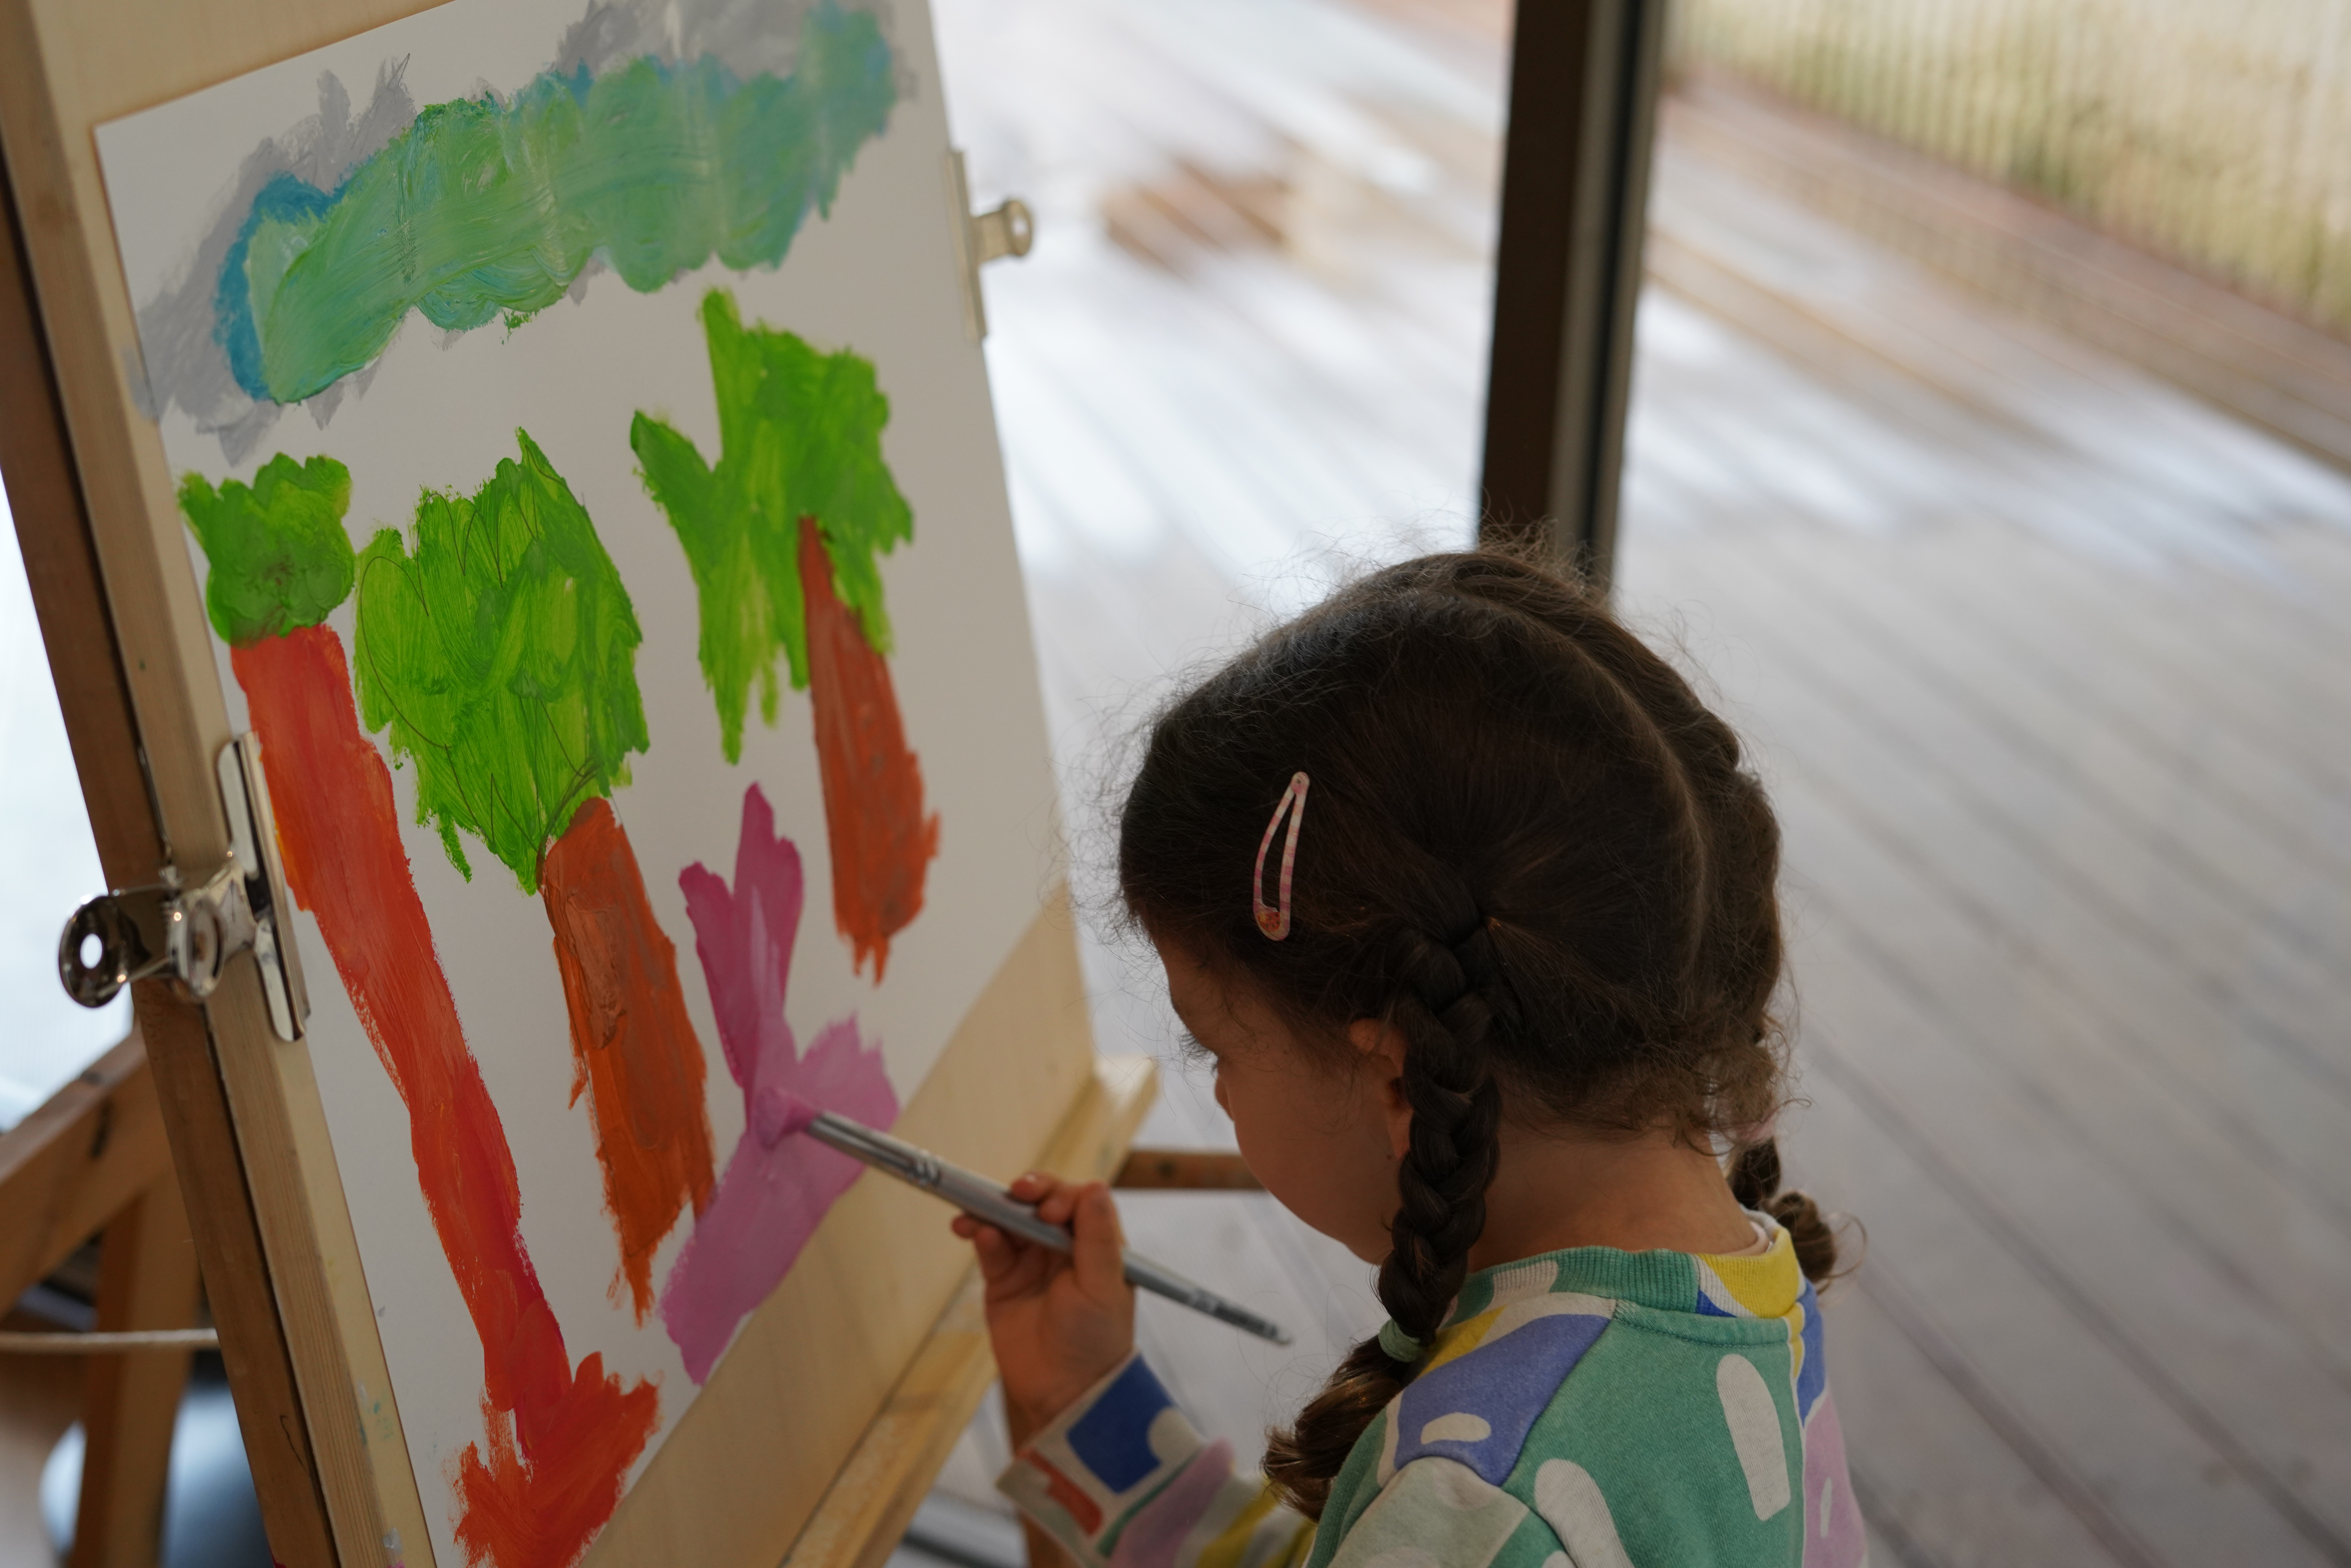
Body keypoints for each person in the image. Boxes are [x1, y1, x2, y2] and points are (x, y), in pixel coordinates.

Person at [954, 551, 1863, 1568]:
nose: (1216, 1089)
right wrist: (1081, 1405)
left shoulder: (1483, 1497)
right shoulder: (1741, 1295)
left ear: (1398, 1079)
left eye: (1216, 1047)